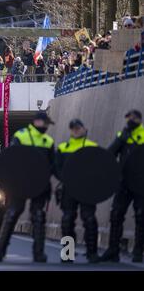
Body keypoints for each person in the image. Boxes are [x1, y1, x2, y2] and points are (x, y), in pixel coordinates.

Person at [0, 112, 55, 263]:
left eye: (47, 124)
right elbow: (11, 159)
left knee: (39, 217)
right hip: (19, 183)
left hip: (40, 184)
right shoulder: (21, 136)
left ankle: (38, 254)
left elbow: (53, 165)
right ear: (36, 122)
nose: (46, 127)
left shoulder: (48, 141)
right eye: (44, 123)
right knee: (12, 214)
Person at [100, 110, 144, 263]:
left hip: (141, 184)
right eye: (128, 118)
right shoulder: (122, 135)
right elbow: (110, 153)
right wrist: (122, 138)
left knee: (141, 216)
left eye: (133, 118)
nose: (130, 120)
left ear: (139, 119)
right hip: (124, 183)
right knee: (116, 215)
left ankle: (138, 251)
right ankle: (113, 251)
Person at [55, 119, 100, 263]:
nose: (75, 130)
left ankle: (92, 253)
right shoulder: (63, 148)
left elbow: (100, 167)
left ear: (84, 129)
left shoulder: (92, 146)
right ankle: (68, 254)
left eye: (78, 128)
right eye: (73, 128)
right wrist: (65, 179)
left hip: (87, 189)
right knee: (67, 220)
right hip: (69, 189)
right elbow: (56, 168)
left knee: (89, 219)